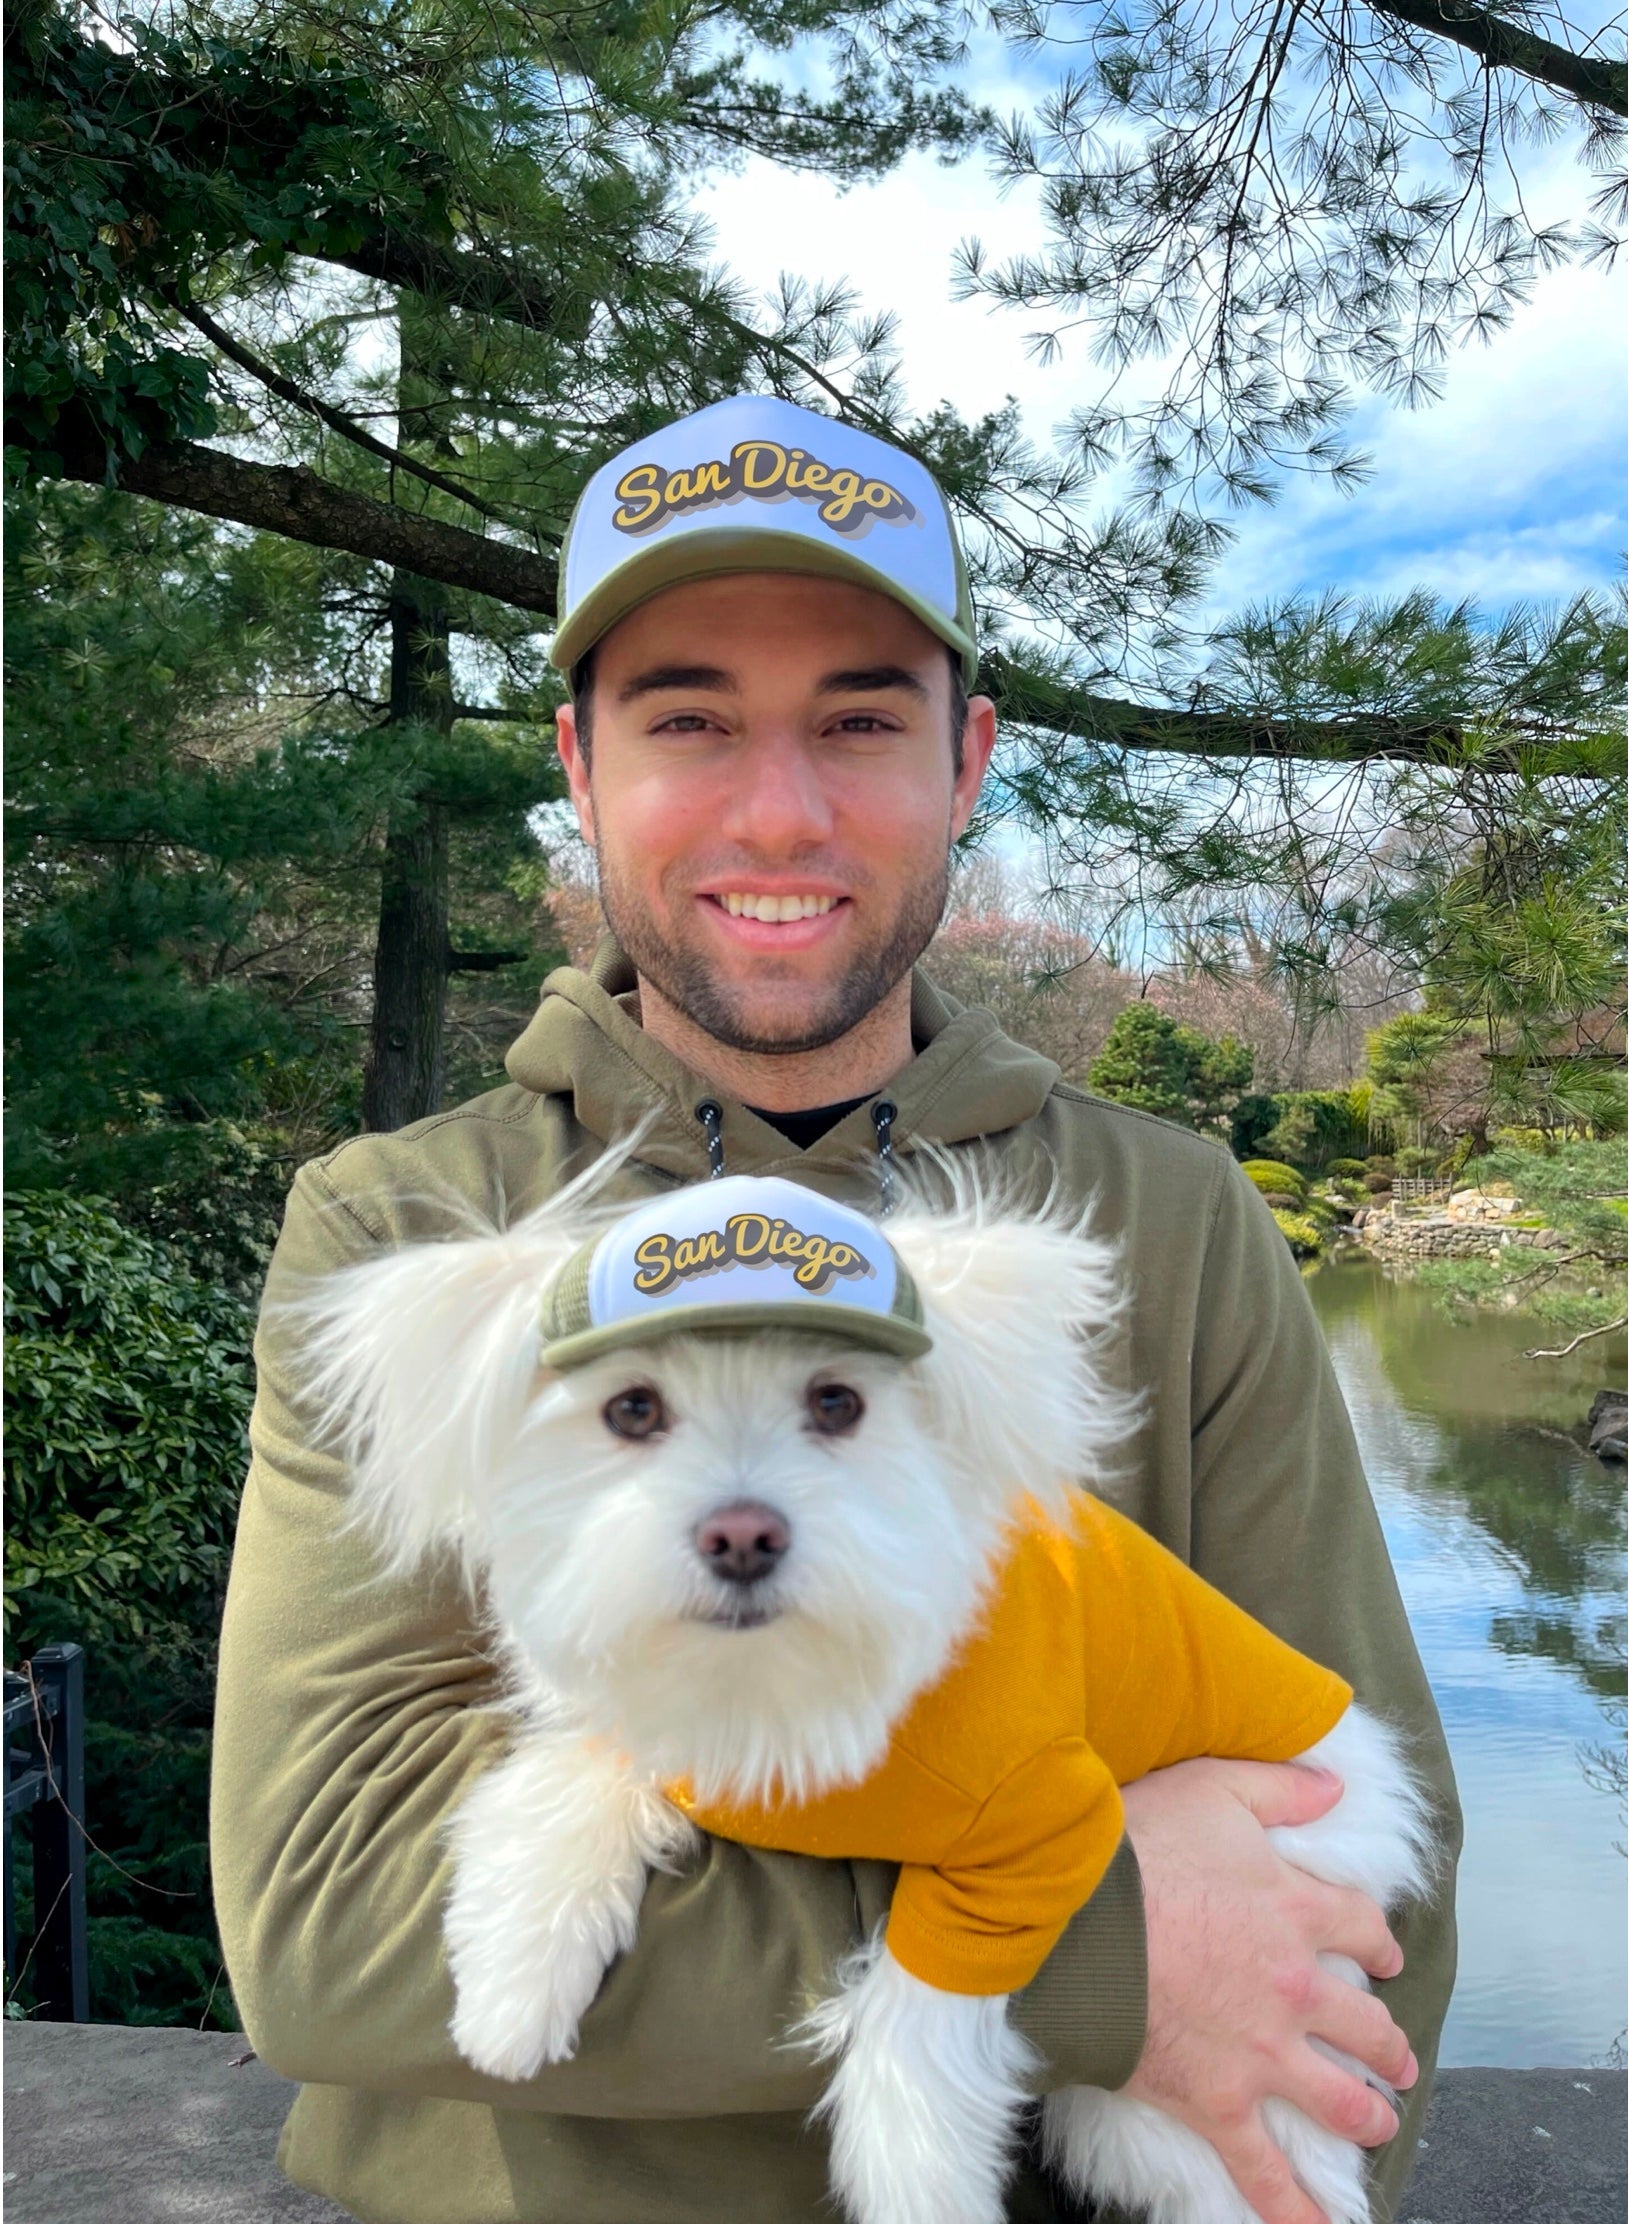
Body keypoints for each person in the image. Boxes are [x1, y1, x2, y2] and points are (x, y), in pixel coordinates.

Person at [211, 393, 1459, 2224]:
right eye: (689, 719)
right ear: (579, 763)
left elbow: (1358, 1909)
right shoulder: (410, 1229)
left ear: (968, 763)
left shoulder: (1169, 1224)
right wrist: (1107, 1947)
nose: (779, 810)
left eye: (861, 721)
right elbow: (333, 1924)